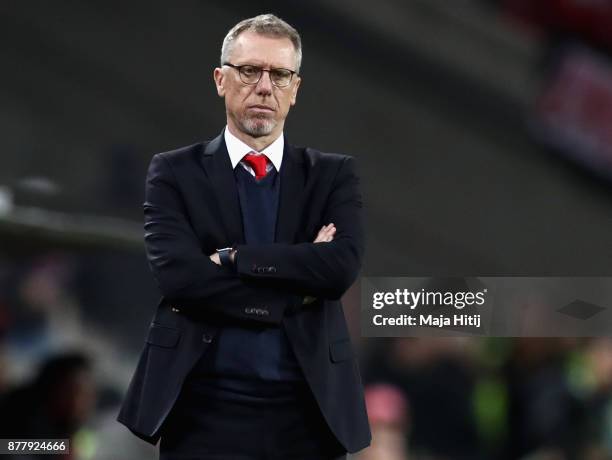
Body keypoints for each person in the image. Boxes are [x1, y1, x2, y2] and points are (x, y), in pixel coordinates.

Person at [117, 13, 370, 460]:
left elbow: (338, 269)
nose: (264, 87)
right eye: (250, 70)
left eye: (279, 75)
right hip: (202, 412)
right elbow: (182, 280)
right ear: (220, 79)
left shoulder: (332, 175)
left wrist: (235, 259)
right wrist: (295, 282)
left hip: (307, 416)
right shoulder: (174, 172)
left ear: (295, 89)